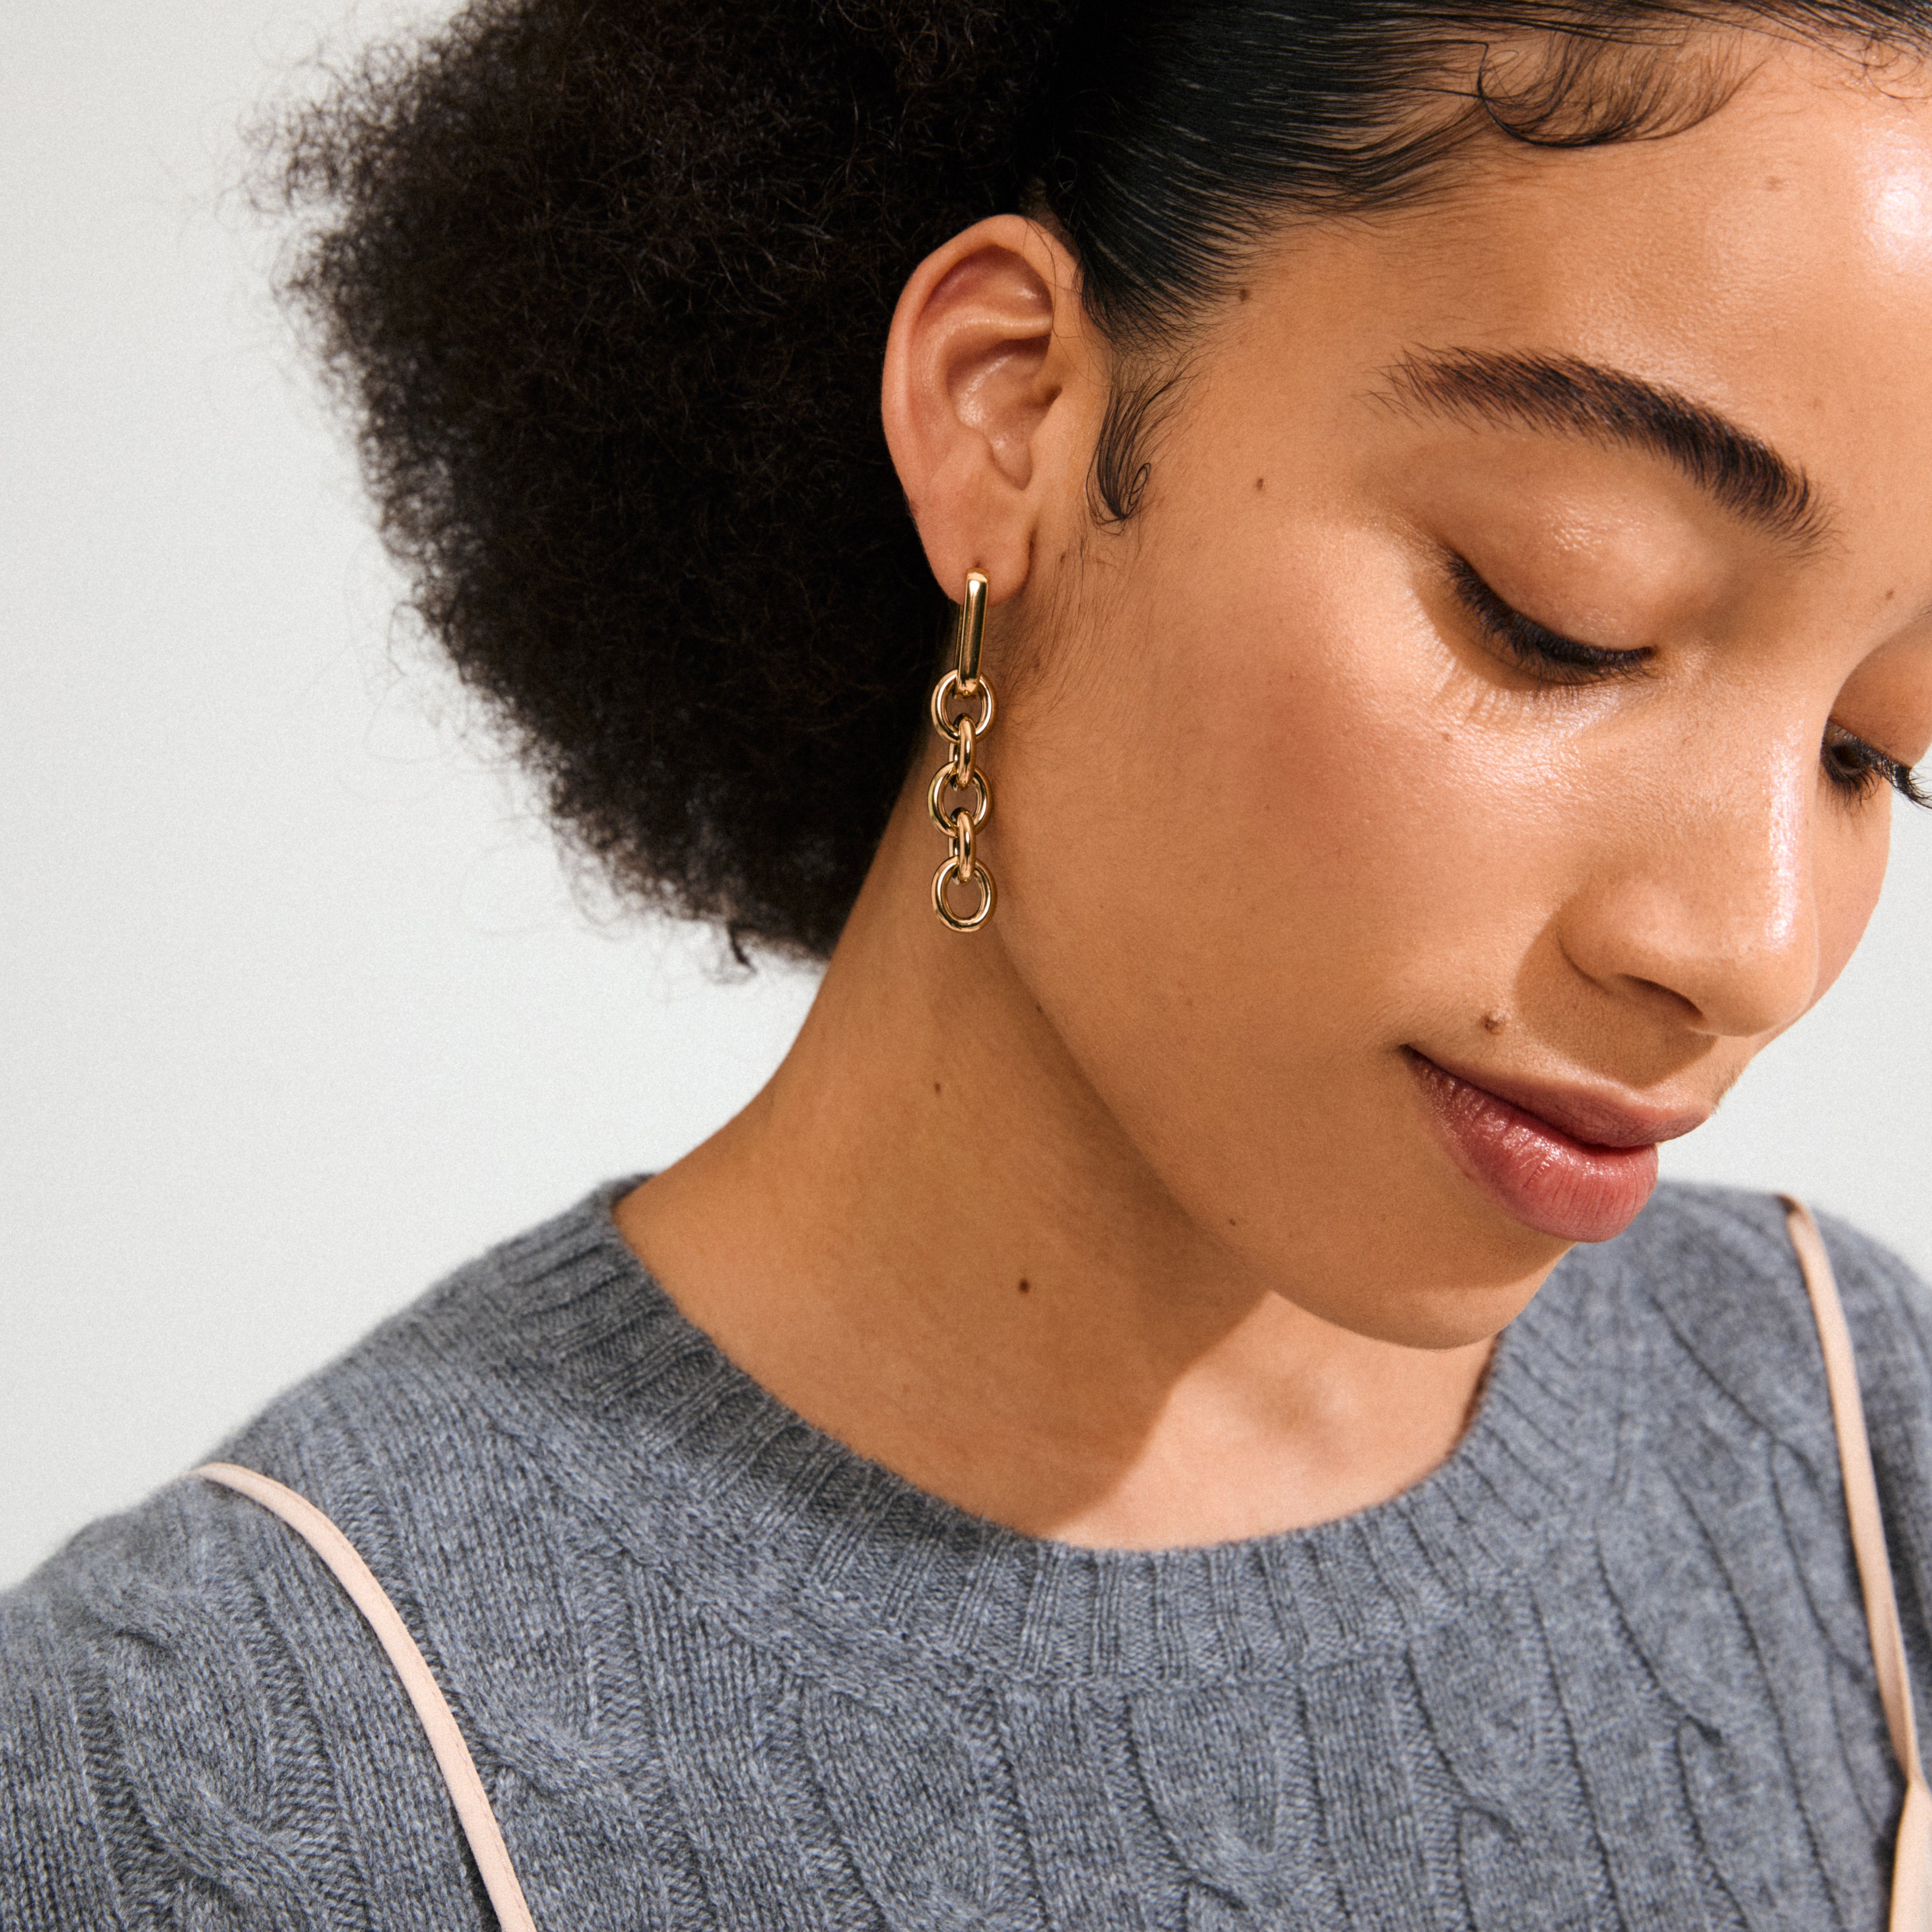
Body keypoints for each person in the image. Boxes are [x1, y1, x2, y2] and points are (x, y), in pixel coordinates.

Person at [7, 0, 1932, 1922]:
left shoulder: (1851, 1447)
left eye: (1876, 751)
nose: (1753, 947)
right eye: (1557, 610)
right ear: (1011, 412)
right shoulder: (243, 1780)